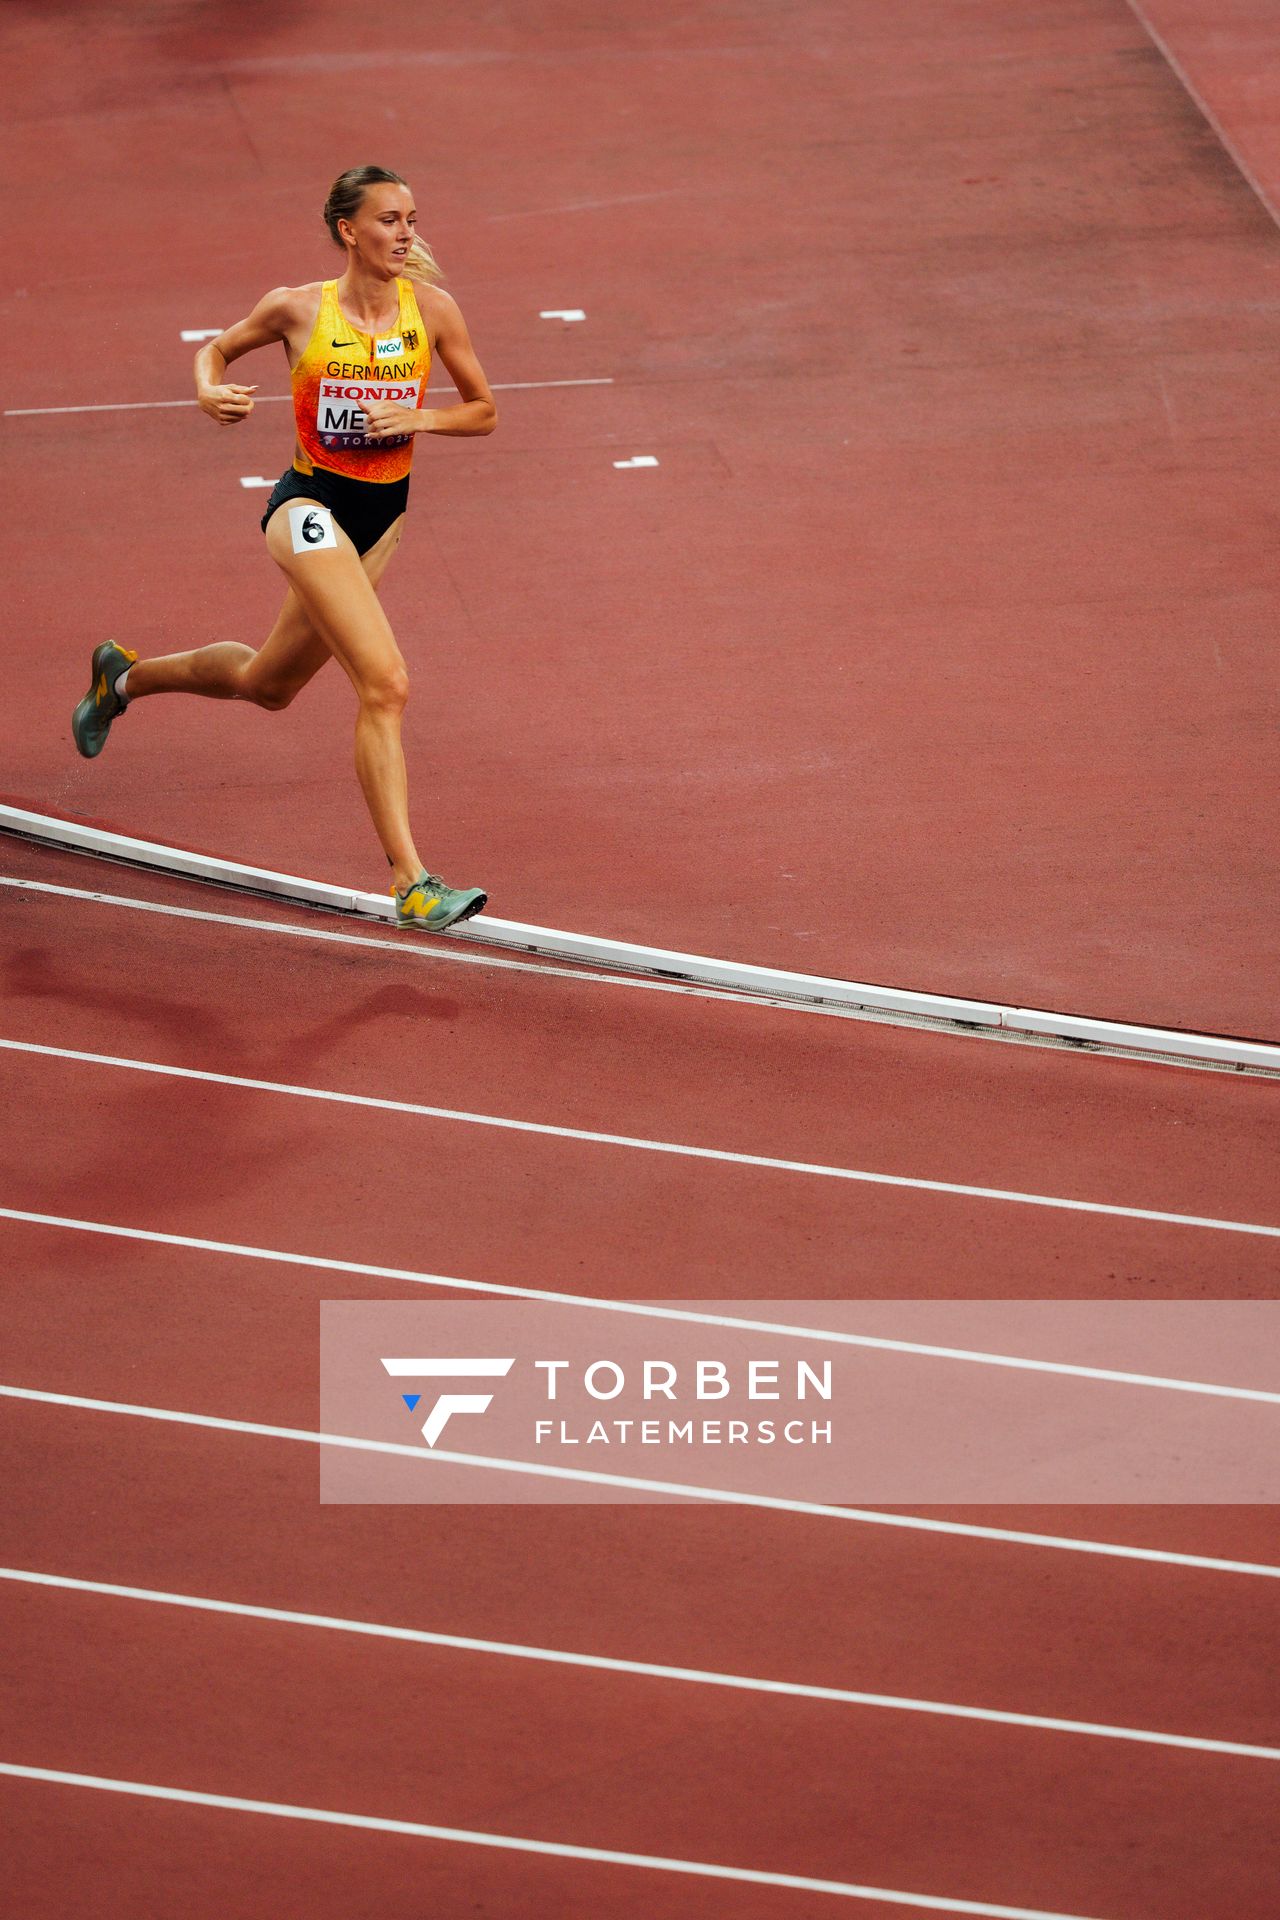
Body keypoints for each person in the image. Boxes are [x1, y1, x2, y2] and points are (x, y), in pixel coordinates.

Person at [72, 164, 495, 932]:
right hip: (307, 506)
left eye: (411, 220)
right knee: (386, 683)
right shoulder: (298, 309)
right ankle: (412, 882)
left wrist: (419, 420)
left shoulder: (432, 311)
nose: (406, 234)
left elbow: (484, 410)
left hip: (381, 520)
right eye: (390, 220)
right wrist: (207, 388)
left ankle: (122, 680)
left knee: (268, 684)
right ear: (347, 230)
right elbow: (216, 352)